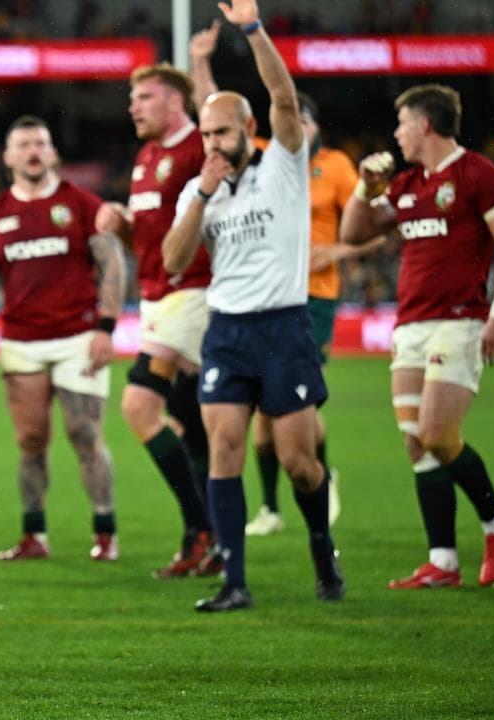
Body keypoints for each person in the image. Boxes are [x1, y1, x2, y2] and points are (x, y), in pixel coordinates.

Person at [161, 0, 344, 612]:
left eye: (222, 132)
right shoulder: (200, 188)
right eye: (206, 134)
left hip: (284, 328)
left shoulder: (284, 168)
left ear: (247, 130)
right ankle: (235, 581)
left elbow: (284, 98)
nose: (212, 143)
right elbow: (173, 259)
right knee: (225, 451)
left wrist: (253, 30)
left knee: (297, 461)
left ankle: (323, 549)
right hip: (228, 332)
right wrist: (203, 194)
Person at [189, 35, 383, 536]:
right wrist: (200, 64)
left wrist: (339, 251)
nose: (304, 126)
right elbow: (215, 115)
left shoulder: (332, 165)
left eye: (310, 120)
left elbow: (366, 226)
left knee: (285, 420)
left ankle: (314, 473)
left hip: (309, 297)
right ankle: (275, 506)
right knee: (258, 428)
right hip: (249, 306)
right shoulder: (260, 159)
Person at [338, 83, 494, 589]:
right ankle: (443, 561)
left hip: (459, 320)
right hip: (411, 326)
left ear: (424, 124)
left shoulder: (476, 174)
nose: (396, 134)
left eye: (401, 123)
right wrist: (363, 186)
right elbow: (353, 234)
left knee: (438, 434)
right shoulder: (406, 185)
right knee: (416, 444)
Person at [0, 115, 126, 562]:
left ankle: (105, 532)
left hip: (78, 336)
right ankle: (34, 536)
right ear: (8, 157)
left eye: (40, 143)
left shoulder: (81, 204)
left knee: (85, 434)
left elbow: (113, 264)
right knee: (30, 440)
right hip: (21, 341)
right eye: (23, 143)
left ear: (52, 153)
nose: (32, 151)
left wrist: (107, 326)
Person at [96, 61, 220, 578]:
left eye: (144, 97)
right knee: (192, 425)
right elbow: (146, 243)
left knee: (139, 403)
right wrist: (122, 226)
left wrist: (204, 66)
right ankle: (207, 539)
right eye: (133, 98)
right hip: (157, 298)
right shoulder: (147, 157)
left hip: (193, 293)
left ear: (176, 103)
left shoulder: (199, 150)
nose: (133, 106)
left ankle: (203, 528)